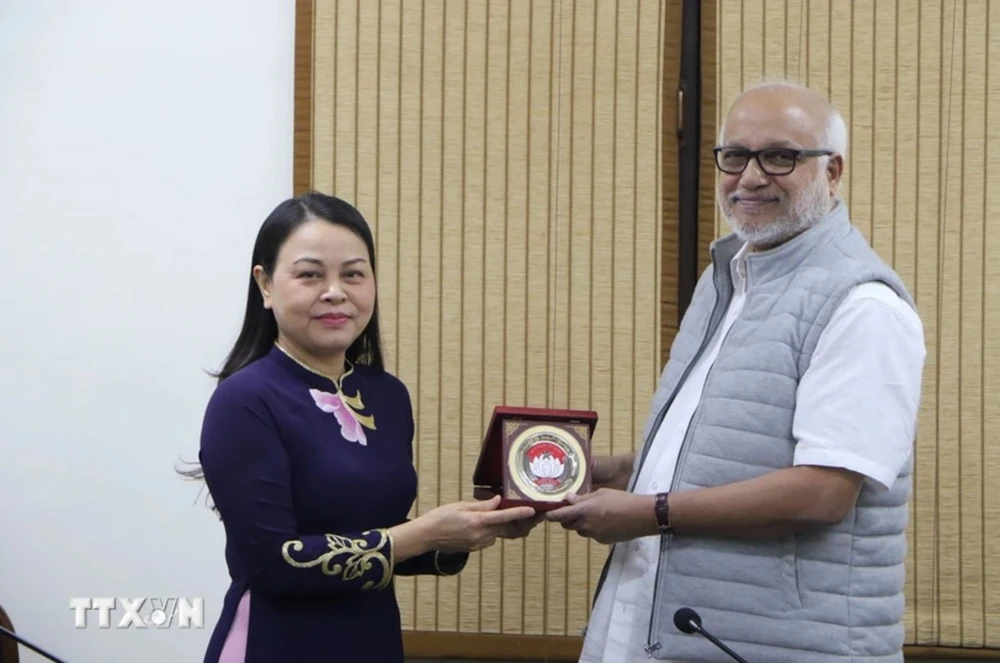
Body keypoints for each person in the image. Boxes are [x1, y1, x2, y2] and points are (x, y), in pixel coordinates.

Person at [546, 81, 926, 663]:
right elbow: (729, 451)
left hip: (777, 644)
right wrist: (623, 472)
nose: (750, 177)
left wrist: (649, 512)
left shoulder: (863, 305)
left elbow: (823, 493)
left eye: (780, 156)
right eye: (735, 155)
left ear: (833, 172)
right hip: (661, 626)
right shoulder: (728, 276)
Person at [181, 192, 540, 662]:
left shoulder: (387, 395)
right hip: (277, 642)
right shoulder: (244, 400)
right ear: (265, 285)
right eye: (310, 274)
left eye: (353, 273)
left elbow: (375, 537)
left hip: (372, 639)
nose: (336, 292)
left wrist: (468, 532)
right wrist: (425, 534)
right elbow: (274, 563)